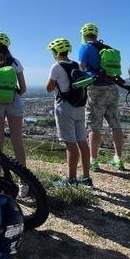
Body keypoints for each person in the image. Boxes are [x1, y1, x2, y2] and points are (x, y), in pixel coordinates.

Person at [0, 32, 29, 196]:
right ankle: (24, 184)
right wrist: (11, 94)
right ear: (8, 46)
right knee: (17, 142)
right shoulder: (15, 63)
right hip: (14, 102)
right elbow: (23, 89)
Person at [78, 22, 125, 171]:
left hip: (96, 89)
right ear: (96, 35)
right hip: (112, 87)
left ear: (84, 35)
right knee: (115, 124)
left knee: (94, 126)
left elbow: (81, 67)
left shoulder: (85, 47)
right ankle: (118, 159)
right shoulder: (107, 48)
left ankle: (94, 161)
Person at [45, 37, 92, 187]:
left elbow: (49, 88)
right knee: (82, 142)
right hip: (79, 106)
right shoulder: (77, 65)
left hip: (64, 108)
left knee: (71, 145)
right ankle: (86, 178)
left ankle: (71, 180)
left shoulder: (56, 67)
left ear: (55, 52)